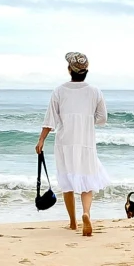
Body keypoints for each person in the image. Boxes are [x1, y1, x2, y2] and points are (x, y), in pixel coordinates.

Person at [34, 50, 109, 235]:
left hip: (65, 142)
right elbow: (102, 119)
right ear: (86, 71)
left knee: (67, 181)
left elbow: (50, 120)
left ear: (70, 70)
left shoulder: (59, 91)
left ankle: (73, 223)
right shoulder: (94, 91)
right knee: (88, 180)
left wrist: (41, 139)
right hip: (86, 142)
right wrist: (85, 120)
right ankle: (86, 213)